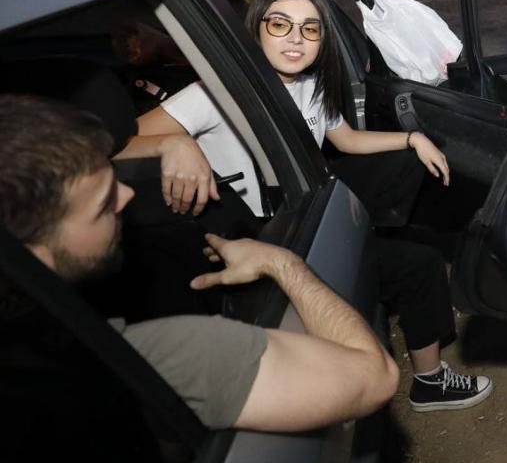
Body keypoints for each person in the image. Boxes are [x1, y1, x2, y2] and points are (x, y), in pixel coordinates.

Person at [129, 0, 492, 411]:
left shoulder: (312, 87)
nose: (296, 39)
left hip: (303, 213)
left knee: (420, 262)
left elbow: (346, 142)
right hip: (253, 236)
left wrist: (411, 140)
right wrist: (175, 143)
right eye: (280, 24)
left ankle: (429, 380)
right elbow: (116, 144)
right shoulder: (214, 94)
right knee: (415, 264)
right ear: (256, 28)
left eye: (310, 28)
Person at [0, 94, 400, 431]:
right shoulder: (169, 355)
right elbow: (375, 377)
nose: (125, 197)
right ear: (27, 252)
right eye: (103, 205)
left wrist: (169, 144)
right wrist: (282, 262)